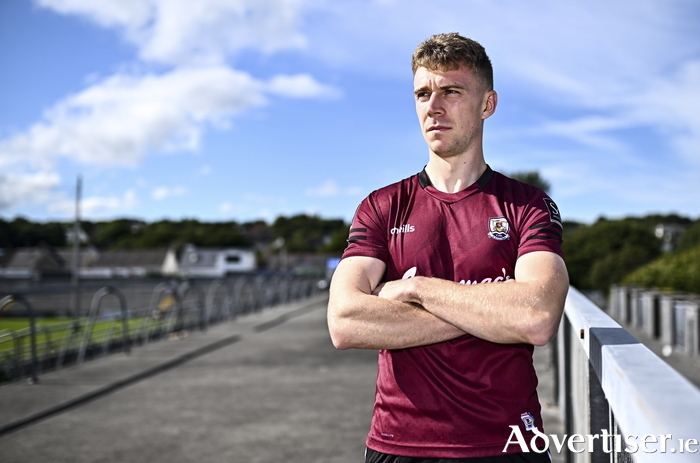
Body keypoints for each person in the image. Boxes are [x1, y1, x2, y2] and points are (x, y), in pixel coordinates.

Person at [327, 32, 569, 463]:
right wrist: (492, 311)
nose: (433, 106)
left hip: (508, 444)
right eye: (423, 93)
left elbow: (535, 316)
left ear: (487, 105)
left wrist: (417, 291)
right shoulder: (381, 206)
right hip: (398, 443)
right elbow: (344, 322)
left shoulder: (528, 205)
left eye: (451, 91)